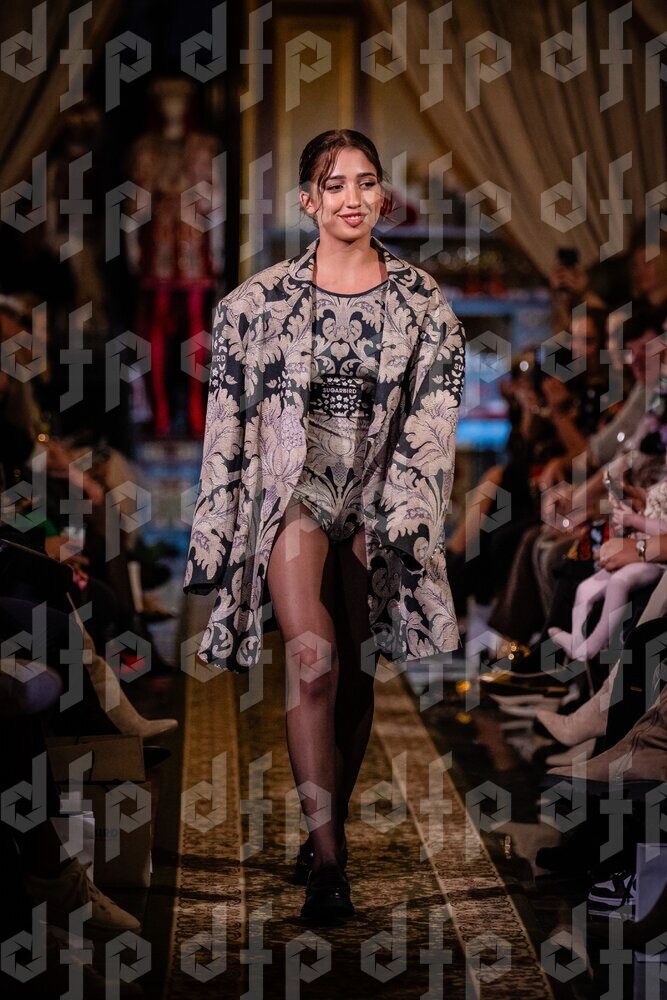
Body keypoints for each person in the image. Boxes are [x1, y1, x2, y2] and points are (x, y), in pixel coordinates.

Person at [184, 129, 465, 924]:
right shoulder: (256, 304)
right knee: (313, 662)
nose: (352, 198)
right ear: (308, 199)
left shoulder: (421, 303)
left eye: (365, 182)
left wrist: (406, 508)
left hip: (380, 495)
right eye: (334, 184)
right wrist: (216, 525)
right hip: (293, 500)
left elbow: (435, 416)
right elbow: (227, 422)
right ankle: (330, 866)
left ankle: (324, 824)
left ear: (382, 196)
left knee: (358, 679)